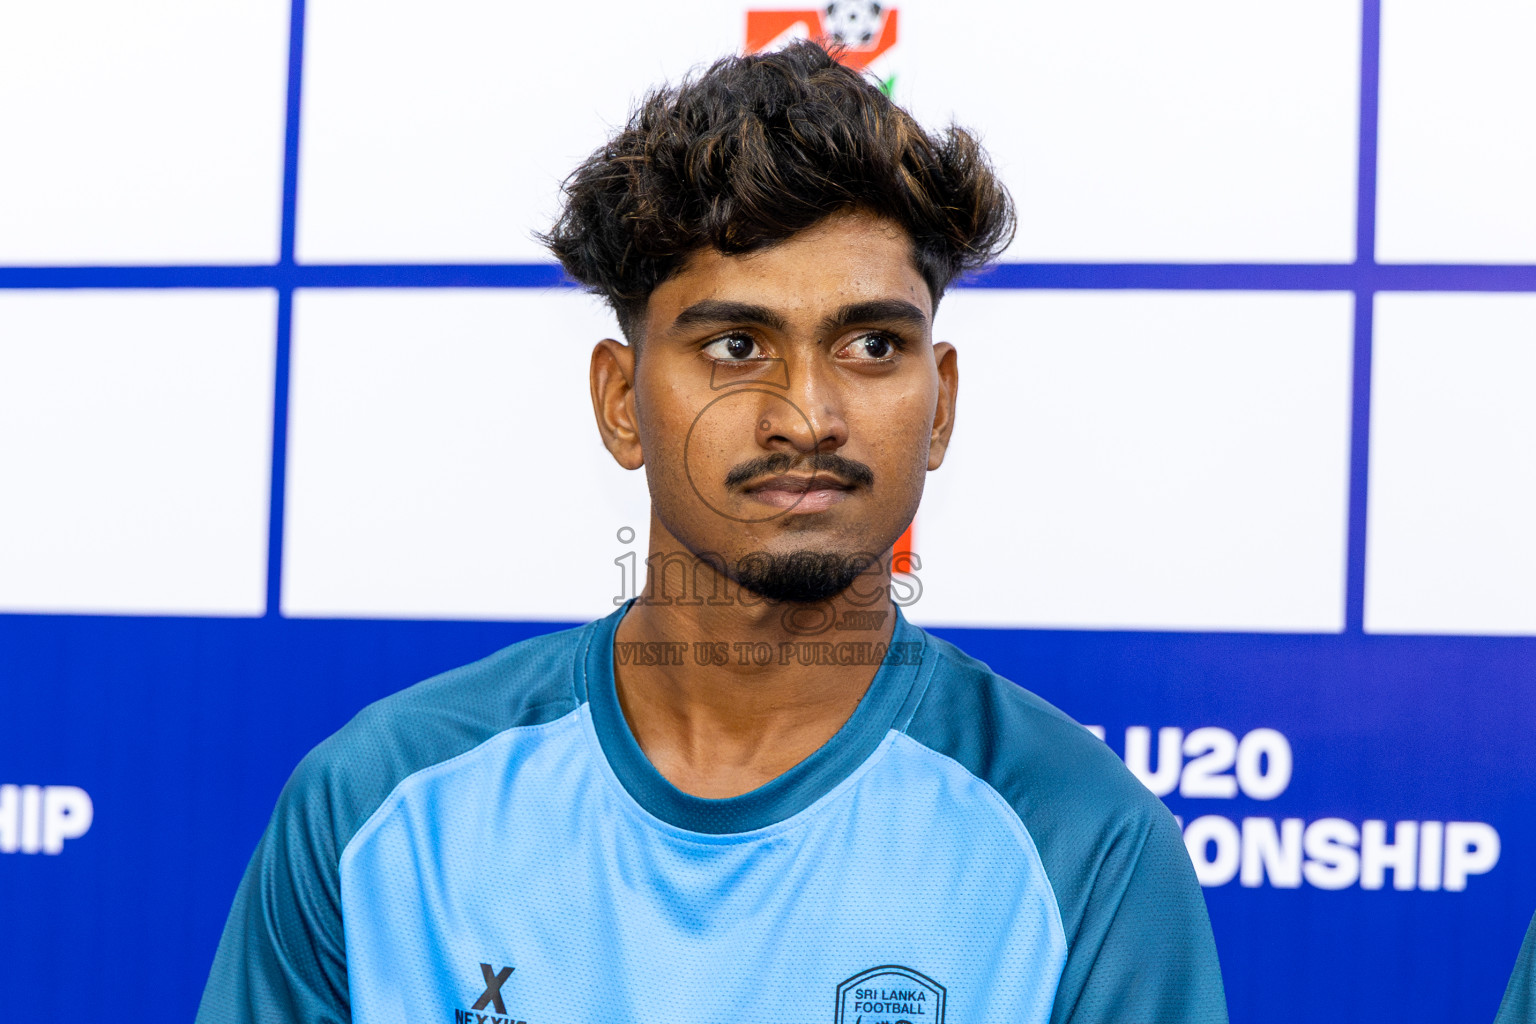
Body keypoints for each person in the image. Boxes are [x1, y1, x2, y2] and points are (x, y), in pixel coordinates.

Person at [196, 40, 1226, 1024]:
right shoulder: (379, 810)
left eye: (872, 344)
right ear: (620, 402)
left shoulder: (1082, 844)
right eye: (737, 345)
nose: (807, 415)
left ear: (941, 404)